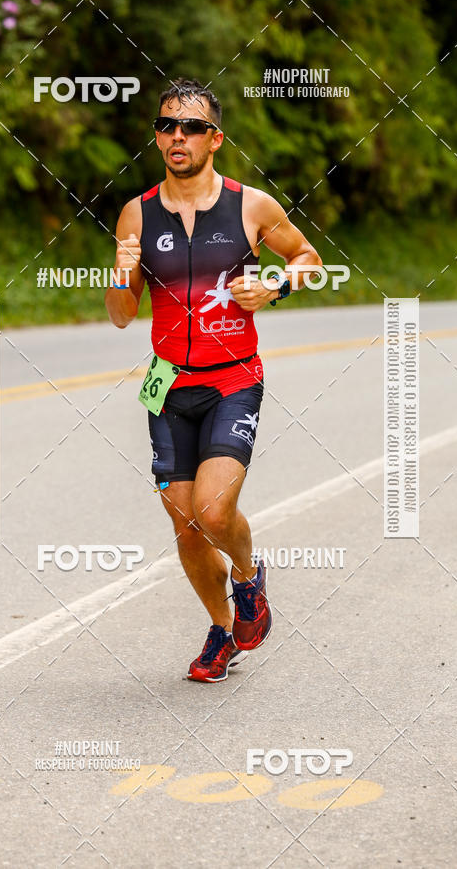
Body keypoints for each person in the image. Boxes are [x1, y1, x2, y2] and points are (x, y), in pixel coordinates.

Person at [105, 78, 322, 682]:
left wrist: (275, 285)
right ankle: (221, 631)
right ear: (157, 137)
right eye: (167, 125)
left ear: (215, 139)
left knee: (213, 510)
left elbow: (309, 259)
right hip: (168, 386)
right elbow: (121, 315)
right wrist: (121, 273)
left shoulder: (251, 206)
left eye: (193, 127)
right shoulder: (137, 213)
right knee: (186, 523)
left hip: (233, 380)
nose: (179, 136)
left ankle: (249, 578)